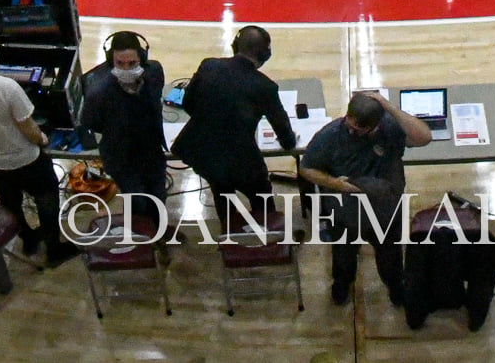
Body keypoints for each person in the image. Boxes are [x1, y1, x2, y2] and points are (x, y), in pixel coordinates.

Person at [0, 21, 78, 265]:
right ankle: (53, 248)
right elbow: (28, 126)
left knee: (9, 199)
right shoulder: (5, 87)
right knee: (46, 195)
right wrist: (42, 139)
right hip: (23, 157)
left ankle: (27, 239)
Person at [300, 92, 432, 305]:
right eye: (348, 124)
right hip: (345, 212)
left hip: (384, 210)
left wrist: (386, 105)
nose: (350, 130)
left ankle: (395, 286)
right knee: (343, 256)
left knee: (390, 257)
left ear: (376, 125)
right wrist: (337, 185)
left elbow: (424, 137)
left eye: (358, 129)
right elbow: (306, 169)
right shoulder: (330, 135)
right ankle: (342, 285)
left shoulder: (390, 128)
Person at [171, 26, 296, 209]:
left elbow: (188, 103)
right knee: (261, 198)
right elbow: (283, 131)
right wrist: (289, 142)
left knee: (220, 188)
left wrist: (211, 121)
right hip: (240, 159)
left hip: (202, 151)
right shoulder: (265, 87)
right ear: (265, 54)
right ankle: (267, 230)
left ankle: (229, 228)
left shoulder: (208, 66)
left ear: (235, 46)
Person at [79, 32, 169, 224]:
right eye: (120, 63)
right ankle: (140, 237)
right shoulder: (98, 91)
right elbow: (90, 122)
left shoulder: (154, 71)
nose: (126, 68)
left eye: (132, 63)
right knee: (138, 201)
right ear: (111, 61)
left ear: (142, 59)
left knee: (159, 197)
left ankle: (158, 233)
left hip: (151, 150)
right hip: (121, 156)